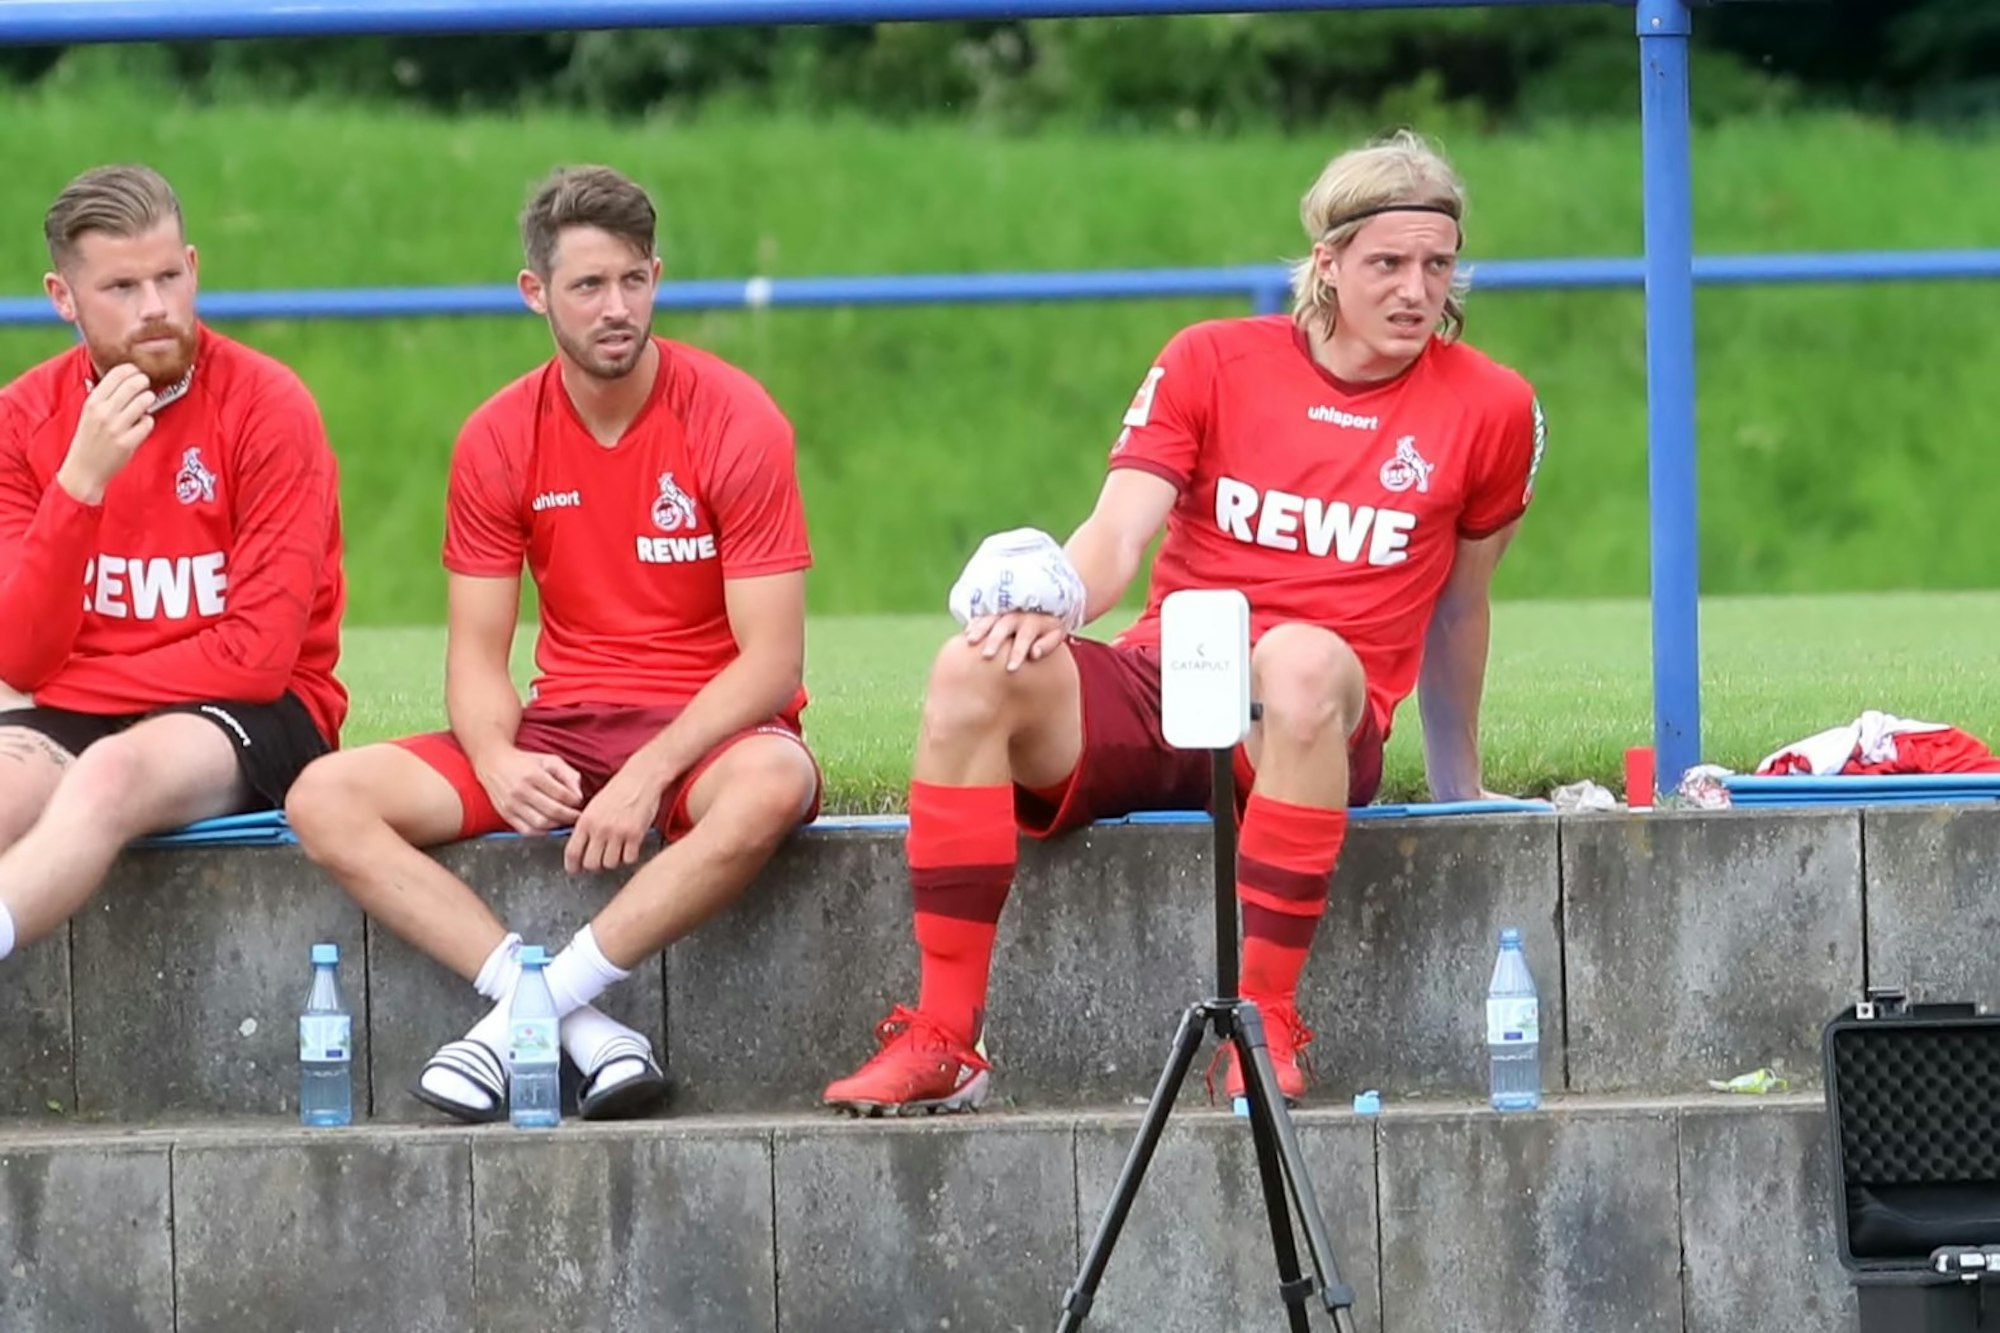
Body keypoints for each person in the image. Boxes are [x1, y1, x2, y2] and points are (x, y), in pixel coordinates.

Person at [823, 129, 1547, 1115]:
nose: (1416, 291)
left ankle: (1262, 1025)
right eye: (1387, 263)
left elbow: (1461, 606)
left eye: (1437, 265)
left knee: (1296, 659)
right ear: (1328, 263)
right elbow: (1117, 533)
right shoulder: (1213, 358)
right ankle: (945, 1037)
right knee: (969, 666)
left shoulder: (1492, 405)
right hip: (1171, 683)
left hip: (1311, 718)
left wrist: (1459, 781)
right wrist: (1048, 596)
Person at [285, 165, 821, 1123]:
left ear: (656, 277)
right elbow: (475, 655)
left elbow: (773, 662)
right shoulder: (498, 436)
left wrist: (652, 771)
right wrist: (496, 756)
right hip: (566, 728)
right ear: (535, 292)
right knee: (323, 797)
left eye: (634, 280)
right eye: (588, 286)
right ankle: (571, 1021)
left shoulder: (737, 419)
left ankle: (527, 1013)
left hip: (706, 738)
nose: (617, 308)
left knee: (776, 783)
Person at [0, 165, 347, 968]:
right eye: (121, 287)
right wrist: (79, 486)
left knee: (111, 774)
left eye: (167, 277)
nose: (154, 306)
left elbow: (257, 659)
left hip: (259, 710)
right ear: (63, 297)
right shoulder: (21, 421)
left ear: (193, 267)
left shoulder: (269, 406)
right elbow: (21, 650)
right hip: (93, 702)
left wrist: (53, 688)